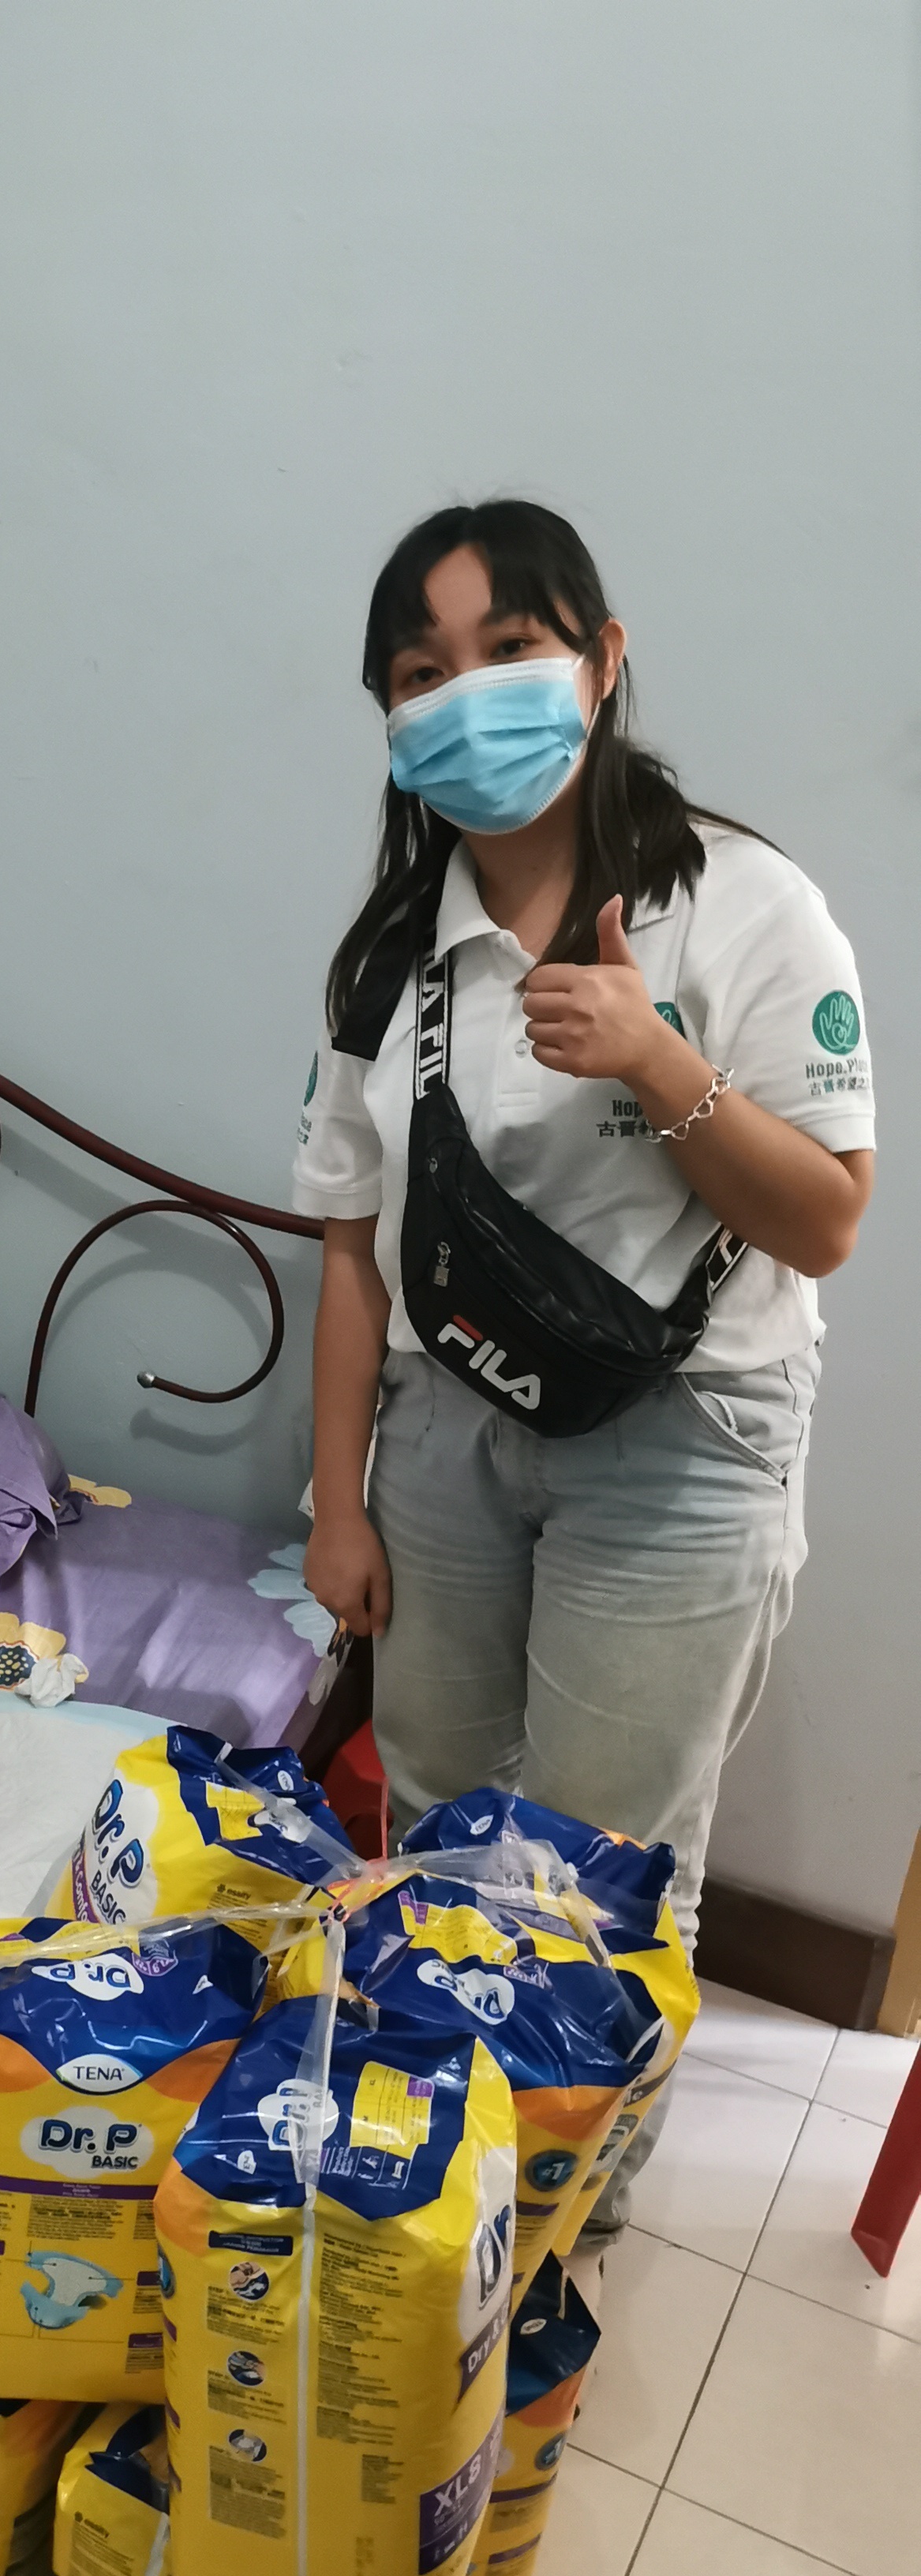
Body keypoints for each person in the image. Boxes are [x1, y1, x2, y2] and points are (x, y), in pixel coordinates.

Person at [296, 500, 873, 2238]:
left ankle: (559, 2218)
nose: (465, 696)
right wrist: (337, 1502)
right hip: (443, 1431)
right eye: (421, 671)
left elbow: (829, 1219)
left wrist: (658, 1063)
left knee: (607, 1860)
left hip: (684, 1444)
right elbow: (350, 1242)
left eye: (511, 650)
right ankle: (433, 2185)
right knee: (441, 1821)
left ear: (603, 661)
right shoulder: (392, 951)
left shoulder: (743, 905)